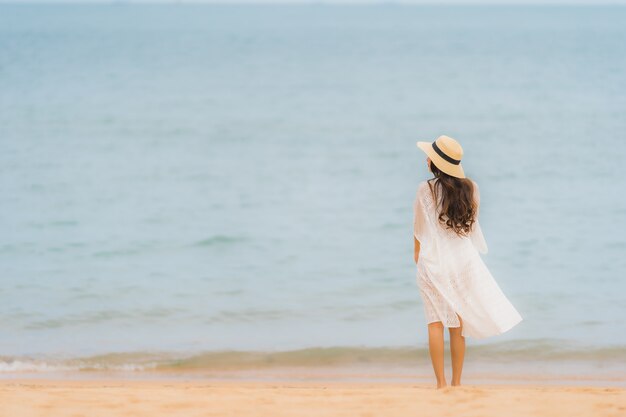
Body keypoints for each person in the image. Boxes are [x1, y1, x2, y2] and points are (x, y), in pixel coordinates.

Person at [413, 135, 523, 389]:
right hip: (462, 262)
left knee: (435, 322)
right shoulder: (471, 188)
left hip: (432, 263)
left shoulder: (424, 189)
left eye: (429, 155)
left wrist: (416, 253)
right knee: (457, 325)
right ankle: (457, 383)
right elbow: (470, 226)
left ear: (436, 163)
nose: (426, 158)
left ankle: (440, 385)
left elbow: (419, 227)